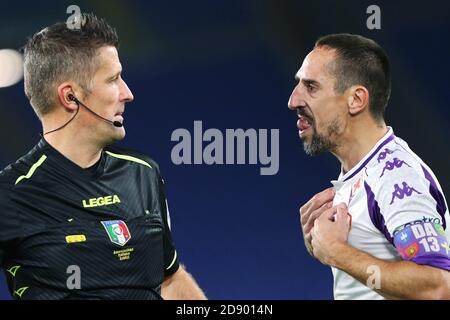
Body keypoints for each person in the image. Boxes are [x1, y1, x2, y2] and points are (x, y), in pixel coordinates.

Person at [0, 13, 206, 300]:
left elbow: (169, 279)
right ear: (70, 97)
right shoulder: (10, 194)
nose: (128, 93)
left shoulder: (143, 173)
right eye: (113, 79)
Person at [288, 33, 450, 299]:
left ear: (356, 100)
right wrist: (324, 247)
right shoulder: (361, 173)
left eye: (311, 87)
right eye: (298, 85)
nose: (293, 100)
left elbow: (439, 287)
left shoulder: (396, 177)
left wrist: (337, 252)